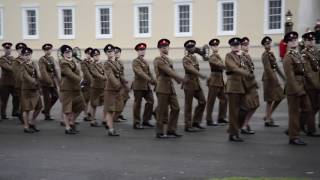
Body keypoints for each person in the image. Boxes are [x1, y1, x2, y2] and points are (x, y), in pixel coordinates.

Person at [283, 31, 312, 145]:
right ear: (287, 43)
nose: (294, 41)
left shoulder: (298, 55)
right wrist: (297, 90)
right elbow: (290, 77)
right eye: (291, 40)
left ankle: (292, 130)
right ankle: (294, 137)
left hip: (302, 86)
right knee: (294, 113)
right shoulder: (288, 57)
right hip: (293, 89)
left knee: (308, 109)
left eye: (295, 39)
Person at [153, 38, 185, 138]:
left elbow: (173, 71)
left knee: (176, 108)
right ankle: (159, 132)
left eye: (166, 46)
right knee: (162, 110)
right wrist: (182, 79)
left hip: (170, 87)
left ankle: (171, 130)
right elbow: (168, 71)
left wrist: (179, 81)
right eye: (163, 47)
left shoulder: (169, 60)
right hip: (162, 87)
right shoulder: (158, 60)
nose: (165, 48)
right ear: (159, 49)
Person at [225, 37, 253, 142]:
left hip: (242, 86)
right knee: (233, 112)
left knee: (245, 108)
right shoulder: (229, 56)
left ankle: (235, 128)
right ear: (231, 46)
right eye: (234, 45)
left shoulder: (242, 57)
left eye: (237, 45)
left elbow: (248, 67)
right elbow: (233, 68)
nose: (236, 47)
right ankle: (233, 134)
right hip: (233, 87)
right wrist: (245, 73)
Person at [182, 40, 207, 132]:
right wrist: (201, 75)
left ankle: (196, 122)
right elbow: (191, 69)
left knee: (203, 102)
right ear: (187, 49)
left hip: (196, 83)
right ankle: (188, 125)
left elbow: (204, 56)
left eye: (193, 46)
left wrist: (203, 52)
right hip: (189, 83)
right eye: (190, 47)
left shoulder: (195, 58)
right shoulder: (186, 59)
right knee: (188, 105)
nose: (192, 48)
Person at [59, 45, 85, 134]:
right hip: (67, 89)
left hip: (76, 88)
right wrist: (80, 80)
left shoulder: (74, 61)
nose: (68, 53)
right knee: (67, 109)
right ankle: (67, 127)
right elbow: (69, 74)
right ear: (63, 54)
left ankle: (72, 121)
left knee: (81, 106)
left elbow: (79, 71)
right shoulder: (63, 63)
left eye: (69, 51)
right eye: (66, 52)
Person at [261, 36, 285, 127]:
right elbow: (268, 69)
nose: (269, 45)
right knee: (270, 100)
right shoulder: (265, 55)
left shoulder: (271, 54)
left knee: (280, 97)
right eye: (267, 44)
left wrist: (284, 78)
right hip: (268, 79)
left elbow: (276, 67)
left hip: (273, 77)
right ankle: (267, 119)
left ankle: (267, 116)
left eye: (269, 43)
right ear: (263, 45)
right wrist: (276, 81)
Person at [300, 31, 320, 137]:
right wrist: (317, 85)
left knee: (316, 106)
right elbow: (308, 72)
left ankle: (301, 124)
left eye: (312, 40)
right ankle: (311, 129)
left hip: (317, 84)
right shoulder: (304, 54)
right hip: (310, 85)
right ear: (304, 42)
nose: (311, 41)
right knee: (312, 107)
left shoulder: (316, 51)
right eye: (308, 40)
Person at [132, 43, 156, 129]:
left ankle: (146, 120)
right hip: (138, 86)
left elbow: (149, 72)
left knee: (151, 101)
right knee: (137, 104)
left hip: (146, 86)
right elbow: (140, 72)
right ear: (137, 51)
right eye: (140, 50)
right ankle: (136, 122)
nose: (142, 51)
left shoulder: (145, 61)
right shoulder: (135, 61)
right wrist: (149, 79)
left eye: (143, 50)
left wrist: (154, 80)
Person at [239, 37, 259, 135]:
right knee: (249, 105)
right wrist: (248, 85)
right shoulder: (241, 57)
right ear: (241, 46)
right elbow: (244, 72)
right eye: (244, 45)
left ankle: (245, 124)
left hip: (251, 83)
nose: (247, 46)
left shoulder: (247, 56)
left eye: (247, 44)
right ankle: (243, 125)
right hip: (247, 85)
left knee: (255, 105)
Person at [20, 47, 43, 133]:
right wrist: (35, 82)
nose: (28, 56)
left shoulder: (34, 63)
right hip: (27, 89)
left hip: (35, 89)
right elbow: (26, 76)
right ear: (22, 56)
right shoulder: (22, 65)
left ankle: (31, 122)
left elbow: (39, 76)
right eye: (25, 55)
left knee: (39, 107)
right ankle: (26, 126)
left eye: (29, 54)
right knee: (26, 109)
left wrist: (37, 68)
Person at [206, 38, 228, 126]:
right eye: (213, 46)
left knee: (224, 99)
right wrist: (231, 67)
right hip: (214, 81)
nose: (215, 47)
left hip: (220, 80)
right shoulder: (212, 57)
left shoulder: (218, 56)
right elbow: (220, 65)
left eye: (216, 45)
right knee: (211, 101)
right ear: (211, 47)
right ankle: (209, 119)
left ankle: (221, 118)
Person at [103, 44, 124, 136]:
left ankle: (108, 123)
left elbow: (120, 75)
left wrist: (124, 85)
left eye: (112, 51)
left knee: (119, 107)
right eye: (108, 52)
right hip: (111, 89)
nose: (111, 53)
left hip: (117, 89)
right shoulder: (106, 64)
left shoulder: (117, 62)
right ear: (106, 53)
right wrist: (118, 85)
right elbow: (110, 76)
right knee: (110, 110)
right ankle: (111, 129)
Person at [38, 43, 59, 121]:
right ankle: (47, 115)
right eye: (46, 50)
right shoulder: (42, 59)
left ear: (51, 49)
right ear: (44, 50)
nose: (48, 51)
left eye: (49, 49)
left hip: (52, 80)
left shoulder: (52, 58)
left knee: (56, 96)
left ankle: (46, 110)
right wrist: (49, 81)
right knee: (47, 98)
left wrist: (58, 80)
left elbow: (56, 70)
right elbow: (43, 71)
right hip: (46, 81)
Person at [88, 48, 105, 127]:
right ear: (92, 56)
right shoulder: (92, 65)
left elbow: (105, 72)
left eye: (98, 55)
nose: (97, 56)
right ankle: (92, 120)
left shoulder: (102, 64)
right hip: (95, 86)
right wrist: (104, 77)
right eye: (95, 55)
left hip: (103, 86)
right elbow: (95, 73)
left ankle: (105, 119)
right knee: (94, 104)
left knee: (106, 102)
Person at [0, 42, 17, 120]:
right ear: (4, 49)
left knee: (17, 97)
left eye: (9, 48)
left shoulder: (13, 58)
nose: (8, 50)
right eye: (6, 48)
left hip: (13, 83)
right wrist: (15, 67)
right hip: (5, 83)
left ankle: (15, 112)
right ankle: (3, 115)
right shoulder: (2, 59)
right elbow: (8, 68)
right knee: (4, 100)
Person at [114, 46, 130, 122]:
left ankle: (119, 113)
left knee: (125, 98)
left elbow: (122, 73)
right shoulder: (113, 62)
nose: (116, 54)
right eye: (115, 52)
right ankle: (115, 116)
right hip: (117, 84)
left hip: (122, 83)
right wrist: (125, 81)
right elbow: (118, 74)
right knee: (118, 100)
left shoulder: (120, 62)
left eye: (118, 52)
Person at [12, 42, 27, 121]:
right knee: (22, 101)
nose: (21, 50)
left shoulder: (28, 60)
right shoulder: (16, 61)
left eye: (22, 49)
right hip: (20, 84)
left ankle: (24, 117)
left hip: (28, 85)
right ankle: (22, 118)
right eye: (19, 49)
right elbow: (16, 73)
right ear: (17, 51)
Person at [81, 47, 94, 122]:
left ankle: (90, 113)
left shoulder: (93, 61)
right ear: (86, 54)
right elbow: (86, 73)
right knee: (86, 100)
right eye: (88, 53)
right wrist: (92, 80)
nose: (89, 55)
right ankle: (85, 115)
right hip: (86, 83)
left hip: (94, 83)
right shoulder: (83, 62)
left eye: (91, 53)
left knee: (92, 99)